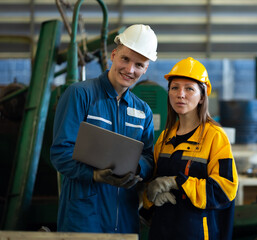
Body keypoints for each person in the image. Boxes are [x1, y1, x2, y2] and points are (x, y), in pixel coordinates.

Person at [50, 24, 158, 233]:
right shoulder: (80, 95)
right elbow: (60, 152)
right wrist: (94, 175)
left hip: (124, 218)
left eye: (139, 64)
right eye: (125, 59)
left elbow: (148, 157)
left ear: (146, 69)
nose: (129, 70)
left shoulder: (143, 111)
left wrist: (137, 169)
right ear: (114, 55)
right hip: (83, 217)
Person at [144, 57, 239, 240]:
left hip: (195, 233)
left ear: (202, 96)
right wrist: (151, 195)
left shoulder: (215, 137)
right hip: (161, 232)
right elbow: (151, 182)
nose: (180, 94)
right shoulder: (164, 138)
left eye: (189, 88)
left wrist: (176, 182)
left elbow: (224, 189)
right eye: (175, 87)